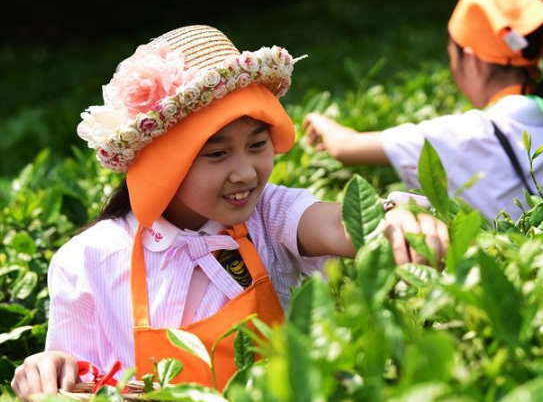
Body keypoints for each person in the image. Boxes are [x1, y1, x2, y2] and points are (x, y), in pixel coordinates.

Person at [10, 25, 449, 401]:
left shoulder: (268, 216)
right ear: (164, 162)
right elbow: (77, 381)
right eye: (217, 153)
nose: (246, 172)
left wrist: (390, 216)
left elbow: (336, 223)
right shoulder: (87, 260)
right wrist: (51, 367)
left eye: (257, 145)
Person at [304, 0, 543, 222]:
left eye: (451, 58)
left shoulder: (460, 135)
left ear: (472, 59)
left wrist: (321, 122)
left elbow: (346, 147)